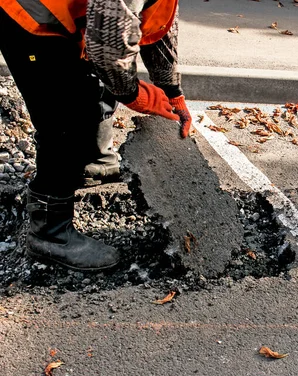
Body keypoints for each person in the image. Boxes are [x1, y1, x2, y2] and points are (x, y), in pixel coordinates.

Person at [0, 0, 192, 271]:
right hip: (26, 15)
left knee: (93, 87)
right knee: (63, 118)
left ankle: (92, 163)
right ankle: (49, 234)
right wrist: (134, 93)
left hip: (62, 14)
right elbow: (107, 47)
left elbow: (157, 18)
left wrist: (171, 88)